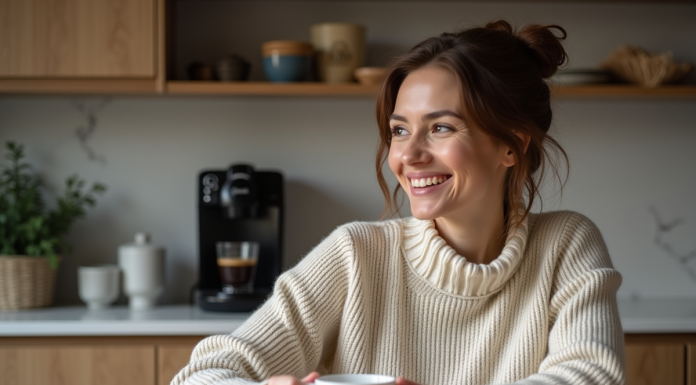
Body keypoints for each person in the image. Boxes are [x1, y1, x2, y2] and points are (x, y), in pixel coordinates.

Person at [172, 20, 625, 385]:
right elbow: (201, 375)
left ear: (512, 146)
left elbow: (591, 375)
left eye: (442, 128)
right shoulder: (355, 255)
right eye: (400, 130)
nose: (407, 156)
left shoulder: (565, 244)